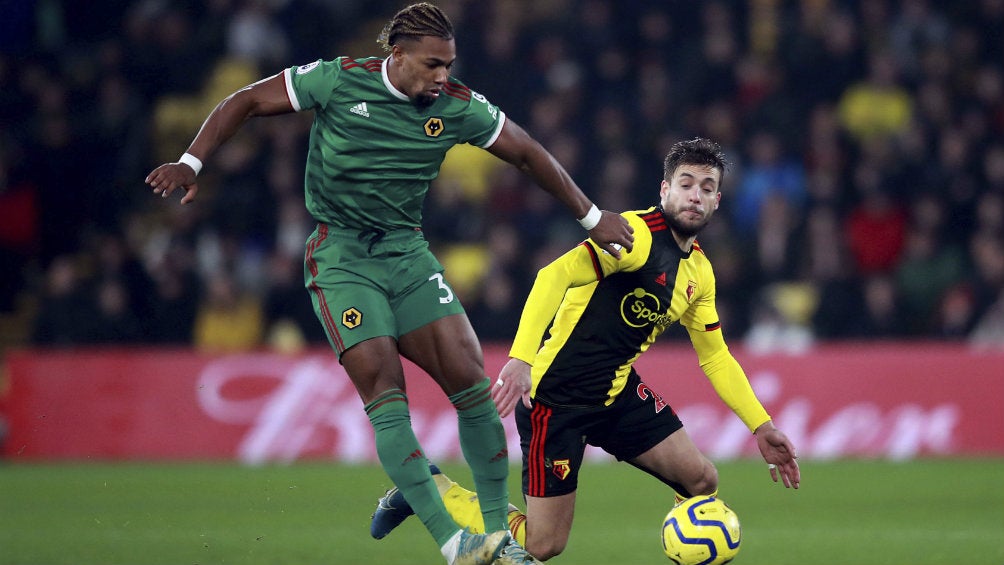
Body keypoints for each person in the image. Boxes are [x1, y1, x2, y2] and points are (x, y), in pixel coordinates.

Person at [143, 3, 634, 565]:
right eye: (431, 65)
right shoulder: (336, 79)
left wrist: (593, 218)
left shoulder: (456, 107)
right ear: (396, 57)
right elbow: (247, 99)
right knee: (386, 389)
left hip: (406, 252)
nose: (442, 77)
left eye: (448, 65)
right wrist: (192, 162)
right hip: (341, 257)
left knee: (472, 383)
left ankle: (499, 538)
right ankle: (455, 544)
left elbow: (525, 151)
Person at [370, 138, 800, 561]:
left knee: (701, 480)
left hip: (614, 395)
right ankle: (429, 490)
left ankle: (685, 544)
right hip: (556, 402)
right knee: (543, 545)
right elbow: (550, 277)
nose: (695, 196)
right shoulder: (634, 237)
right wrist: (521, 359)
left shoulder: (700, 273)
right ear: (665, 189)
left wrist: (761, 426)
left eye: (707, 188)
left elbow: (716, 356)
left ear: (718, 201)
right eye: (686, 184)